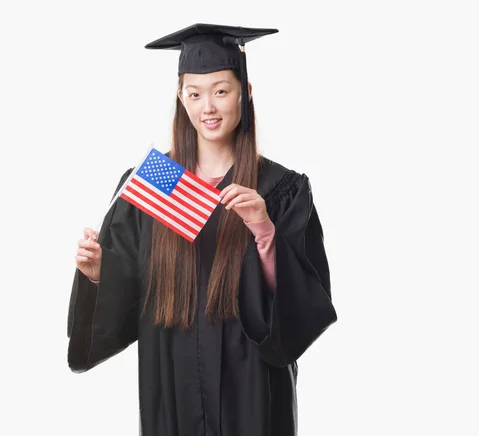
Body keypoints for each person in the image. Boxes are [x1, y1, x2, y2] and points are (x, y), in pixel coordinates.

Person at [67, 23, 337, 436]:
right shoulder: (156, 181)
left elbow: (301, 306)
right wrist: (100, 273)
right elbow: (132, 294)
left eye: (221, 91)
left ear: (245, 93)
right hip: (171, 378)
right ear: (181, 99)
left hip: (251, 388)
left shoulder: (281, 189)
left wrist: (264, 231)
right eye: (194, 93)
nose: (207, 107)